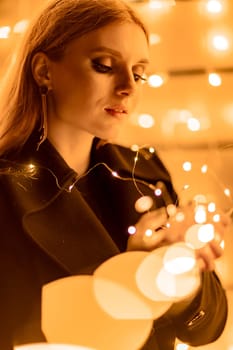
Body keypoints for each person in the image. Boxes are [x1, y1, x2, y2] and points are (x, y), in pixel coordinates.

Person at [0, 0, 229, 349]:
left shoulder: (146, 172)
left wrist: (180, 279)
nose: (129, 86)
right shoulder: (6, 191)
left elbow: (203, 329)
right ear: (44, 71)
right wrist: (130, 280)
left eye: (139, 73)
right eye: (104, 65)